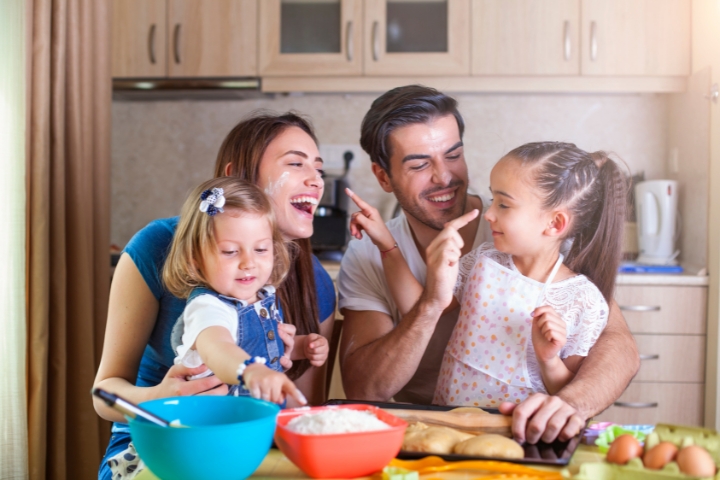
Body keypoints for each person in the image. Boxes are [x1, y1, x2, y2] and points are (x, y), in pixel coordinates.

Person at [337, 85, 639, 444]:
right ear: (383, 177)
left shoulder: (536, 236)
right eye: (419, 164)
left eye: (453, 155)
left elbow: (618, 345)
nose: (443, 177)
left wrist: (567, 401)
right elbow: (364, 388)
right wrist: (390, 249)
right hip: (434, 430)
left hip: (521, 431)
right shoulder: (376, 255)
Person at [93, 112, 336, 480]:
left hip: (245, 450)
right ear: (238, 174)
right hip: (162, 446)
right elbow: (104, 394)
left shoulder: (314, 281)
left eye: (318, 168)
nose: (316, 180)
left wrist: (296, 349)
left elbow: (294, 411)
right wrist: (158, 398)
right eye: (295, 163)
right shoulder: (159, 246)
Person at [347, 141, 625, 408]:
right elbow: (419, 307)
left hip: (519, 434)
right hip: (452, 418)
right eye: (493, 200)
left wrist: (549, 360)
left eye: (503, 205)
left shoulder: (584, 300)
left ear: (555, 223)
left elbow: (569, 398)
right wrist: (386, 244)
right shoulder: (485, 260)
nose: (488, 214)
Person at [165, 177, 327, 404]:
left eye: (260, 249)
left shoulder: (263, 299)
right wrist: (251, 371)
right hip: (213, 427)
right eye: (230, 251)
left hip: (253, 422)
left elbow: (266, 348)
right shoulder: (208, 307)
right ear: (196, 260)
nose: (248, 263)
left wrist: (303, 346)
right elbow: (218, 349)